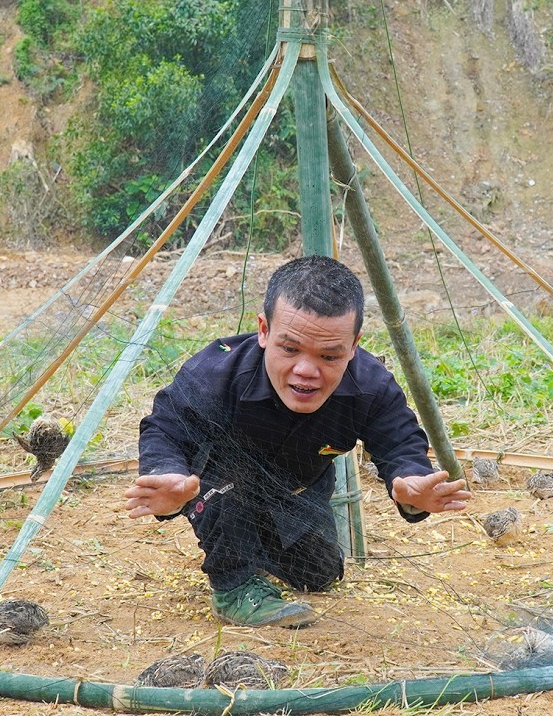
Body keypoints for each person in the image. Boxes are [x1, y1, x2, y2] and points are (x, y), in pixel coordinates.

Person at [123, 255, 472, 627]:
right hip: (220, 483)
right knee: (231, 470)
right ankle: (233, 584)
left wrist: (412, 482)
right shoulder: (215, 374)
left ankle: (253, 547)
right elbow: (165, 427)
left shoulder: (371, 386)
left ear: (353, 345)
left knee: (319, 576)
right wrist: (169, 475)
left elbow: (400, 445)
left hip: (298, 490)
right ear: (263, 331)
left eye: (329, 356)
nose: (306, 371)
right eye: (289, 349)